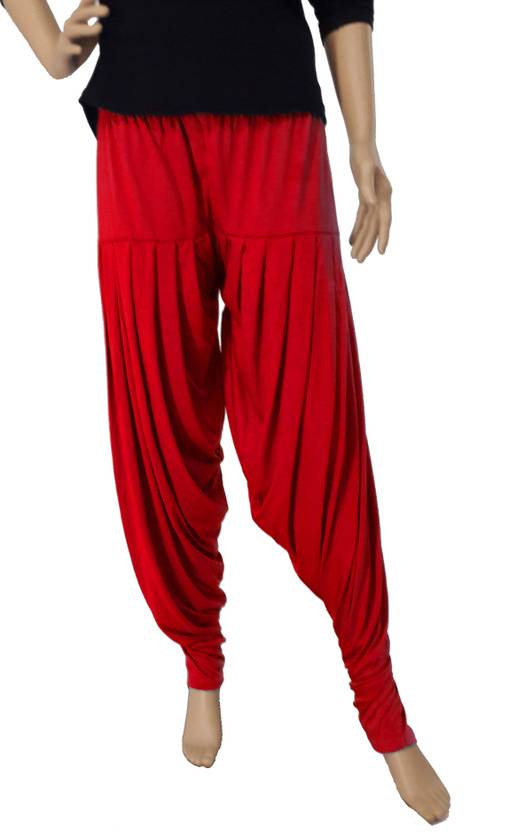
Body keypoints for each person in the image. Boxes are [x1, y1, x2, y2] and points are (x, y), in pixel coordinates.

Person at [0, 0, 450, 822]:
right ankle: (199, 659)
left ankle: (380, 704)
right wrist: (45, 42)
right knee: (161, 416)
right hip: (140, 121)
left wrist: (363, 143)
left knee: (315, 423)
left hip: (275, 116)